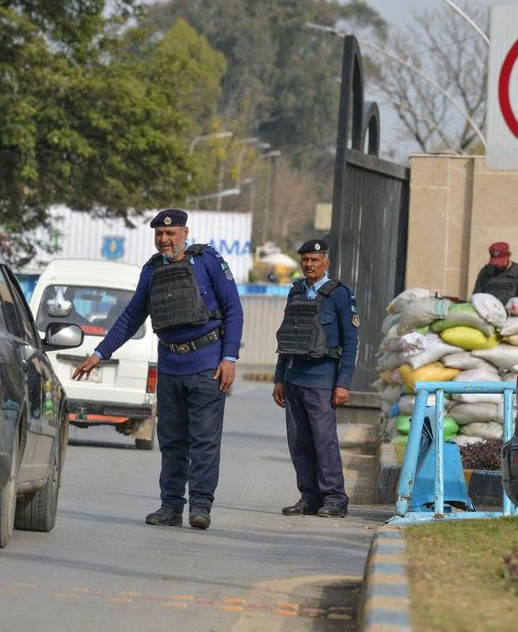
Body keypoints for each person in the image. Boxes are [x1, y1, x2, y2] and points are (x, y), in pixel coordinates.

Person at [71, 209, 244, 530]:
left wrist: (229, 357)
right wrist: (99, 353)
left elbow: (233, 309)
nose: (165, 240)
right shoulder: (151, 271)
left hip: (208, 365)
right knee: (172, 440)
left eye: (171, 234)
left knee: (203, 440)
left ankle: (201, 507)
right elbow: (131, 316)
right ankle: (171, 506)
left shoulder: (207, 260)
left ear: (184, 233)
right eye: (159, 235)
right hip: (171, 366)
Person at [271, 239, 359, 519]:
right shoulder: (296, 290)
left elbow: (351, 342)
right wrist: (279, 378)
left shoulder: (340, 294)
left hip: (322, 379)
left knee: (324, 441)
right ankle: (309, 497)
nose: (310, 265)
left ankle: (335, 498)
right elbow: (288, 336)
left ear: (326, 263)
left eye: (315, 260)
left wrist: (343, 382)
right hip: (294, 376)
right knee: (298, 441)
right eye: (306, 260)